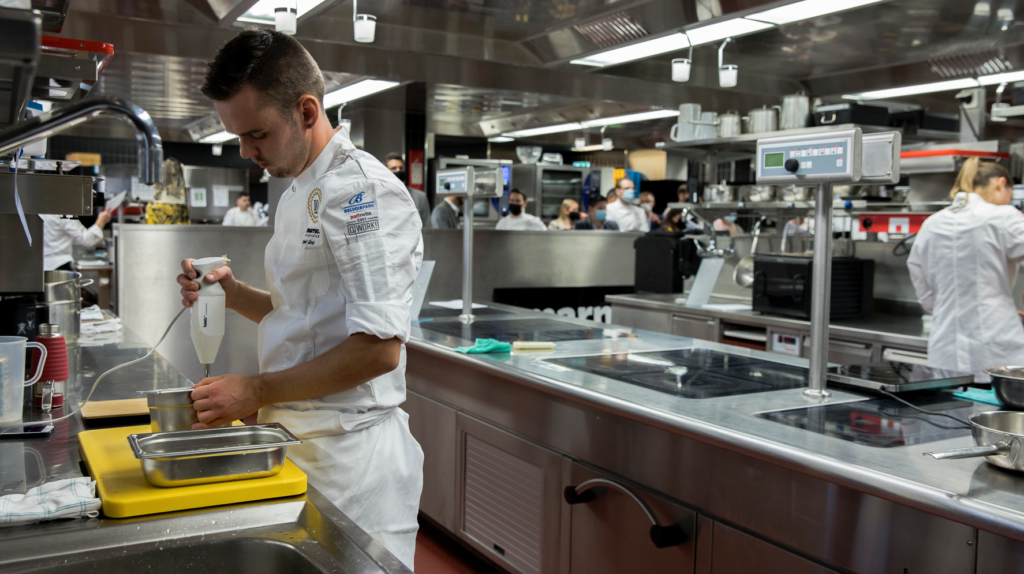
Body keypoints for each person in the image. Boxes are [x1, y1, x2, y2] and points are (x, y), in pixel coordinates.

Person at [177, 29, 423, 568]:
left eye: (257, 134)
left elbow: (379, 349)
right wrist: (234, 292)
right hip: (298, 439)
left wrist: (255, 389)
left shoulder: (363, 194)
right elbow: (304, 315)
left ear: (307, 110)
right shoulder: (296, 192)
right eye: (238, 138)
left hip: (352, 460)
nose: (247, 153)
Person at [908, 158, 1024, 382]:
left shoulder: (932, 223)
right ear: (1000, 184)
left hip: (945, 348)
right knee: (996, 413)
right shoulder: (1003, 217)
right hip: (996, 346)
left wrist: (946, 310)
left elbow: (917, 274)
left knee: (947, 412)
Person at [39, 210, 111, 271]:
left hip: (41, 266)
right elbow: (87, 239)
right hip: (60, 266)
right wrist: (101, 220)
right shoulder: (64, 213)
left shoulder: (38, 210)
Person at [386, 152, 430, 228]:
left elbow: (427, 226)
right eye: (394, 168)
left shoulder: (420, 197)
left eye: (401, 168)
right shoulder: (381, 195)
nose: (398, 170)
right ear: (386, 171)